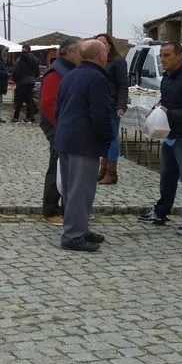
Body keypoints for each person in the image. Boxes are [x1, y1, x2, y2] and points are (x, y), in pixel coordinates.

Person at [139, 42, 182, 235]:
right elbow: (166, 102)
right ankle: (162, 211)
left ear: (179, 56)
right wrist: (159, 109)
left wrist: (169, 114)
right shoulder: (167, 78)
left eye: (167, 55)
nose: (162, 59)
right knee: (167, 177)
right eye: (161, 55)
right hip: (170, 134)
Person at [54, 39, 113, 252]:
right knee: (81, 191)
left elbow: (58, 109)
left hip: (66, 138)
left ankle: (78, 227)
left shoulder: (70, 75)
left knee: (71, 190)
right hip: (84, 141)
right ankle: (73, 236)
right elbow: (100, 113)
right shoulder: (96, 78)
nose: (107, 54)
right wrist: (107, 137)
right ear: (99, 56)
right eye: (105, 51)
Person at [38, 37, 81, 226]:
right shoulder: (56, 72)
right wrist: (62, 126)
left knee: (69, 167)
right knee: (57, 165)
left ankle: (68, 208)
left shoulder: (70, 69)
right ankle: (51, 209)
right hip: (58, 125)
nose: (82, 55)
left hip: (67, 124)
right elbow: (48, 103)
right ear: (69, 52)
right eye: (80, 51)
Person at [95, 33, 129, 185]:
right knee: (103, 138)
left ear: (109, 44)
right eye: (98, 43)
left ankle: (111, 172)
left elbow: (123, 85)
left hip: (113, 105)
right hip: (100, 104)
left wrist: (121, 105)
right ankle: (102, 170)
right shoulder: (98, 61)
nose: (101, 45)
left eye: (103, 42)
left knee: (112, 138)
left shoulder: (118, 61)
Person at [11, 44, 40, 123]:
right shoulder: (35, 59)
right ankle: (30, 117)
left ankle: (16, 117)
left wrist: (14, 79)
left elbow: (17, 71)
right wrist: (34, 77)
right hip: (31, 81)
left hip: (22, 81)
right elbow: (37, 72)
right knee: (29, 99)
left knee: (19, 99)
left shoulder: (20, 59)